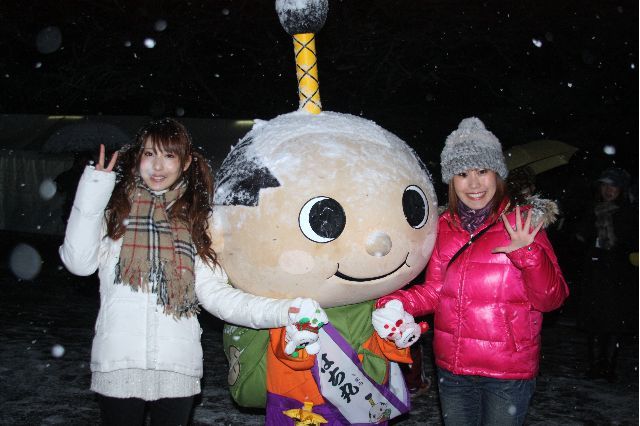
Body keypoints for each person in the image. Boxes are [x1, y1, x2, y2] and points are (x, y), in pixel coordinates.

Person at [59, 118, 320, 426]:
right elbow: (79, 263)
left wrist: (283, 311)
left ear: (185, 164)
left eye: (169, 155)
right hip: (118, 362)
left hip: (177, 366)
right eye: (149, 154)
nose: (158, 166)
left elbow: (217, 296)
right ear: (138, 159)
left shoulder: (198, 225)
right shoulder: (114, 217)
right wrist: (93, 192)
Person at [376, 117, 569, 425]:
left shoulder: (522, 223)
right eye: (463, 174)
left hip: (507, 373)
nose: (474, 184)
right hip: (454, 370)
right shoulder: (443, 227)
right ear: (451, 181)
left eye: (482, 171)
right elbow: (436, 291)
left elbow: (551, 299)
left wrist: (528, 253)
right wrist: (398, 302)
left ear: (498, 174)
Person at [575, 167, 638, 382]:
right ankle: (594, 366)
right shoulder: (592, 209)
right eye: (605, 185)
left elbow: (631, 242)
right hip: (595, 273)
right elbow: (580, 239)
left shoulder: (629, 213)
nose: (608, 190)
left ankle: (609, 367)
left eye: (613, 186)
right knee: (595, 321)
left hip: (619, 276)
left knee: (615, 323)